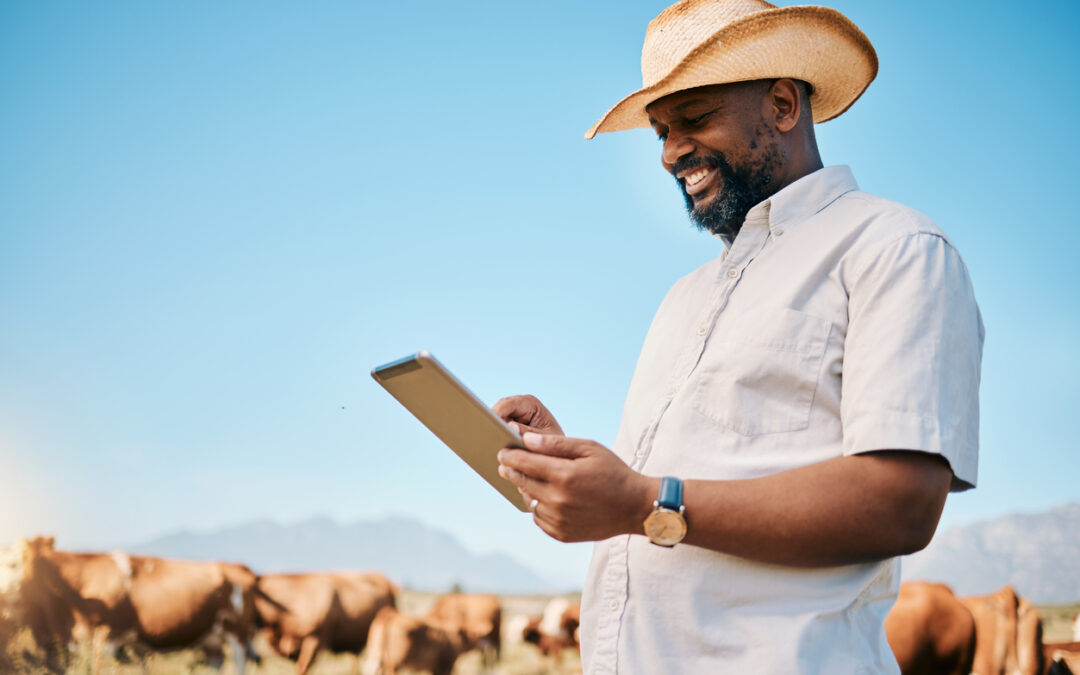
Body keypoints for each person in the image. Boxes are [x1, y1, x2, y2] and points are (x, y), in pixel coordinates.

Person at [495, 1, 984, 673]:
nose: (670, 153)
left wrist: (643, 501)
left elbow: (901, 503)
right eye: (661, 131)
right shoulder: (683, 297)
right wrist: (580, 472)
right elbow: (678, 487)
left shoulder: (895, 249)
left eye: (694, 119)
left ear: (783, 104)